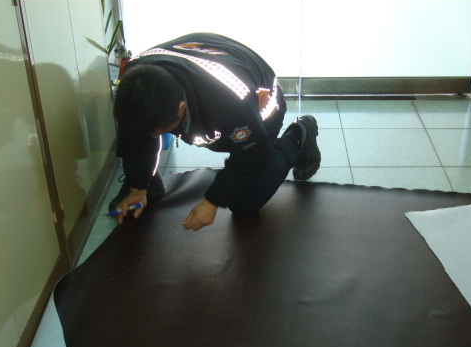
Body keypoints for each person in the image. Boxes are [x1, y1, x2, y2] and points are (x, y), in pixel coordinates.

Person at [111, 32, 321, 231]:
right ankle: (149, 183)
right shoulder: (134, 80)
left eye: (160, 132)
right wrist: (138, 187)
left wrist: (212, 201)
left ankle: (298, 135)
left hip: (259, 111)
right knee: (141, 129)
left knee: (245, 202)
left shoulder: (230, 102)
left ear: (181, 107)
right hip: (208, 80)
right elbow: (133, 133)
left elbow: (253, 156)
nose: (154, 138)